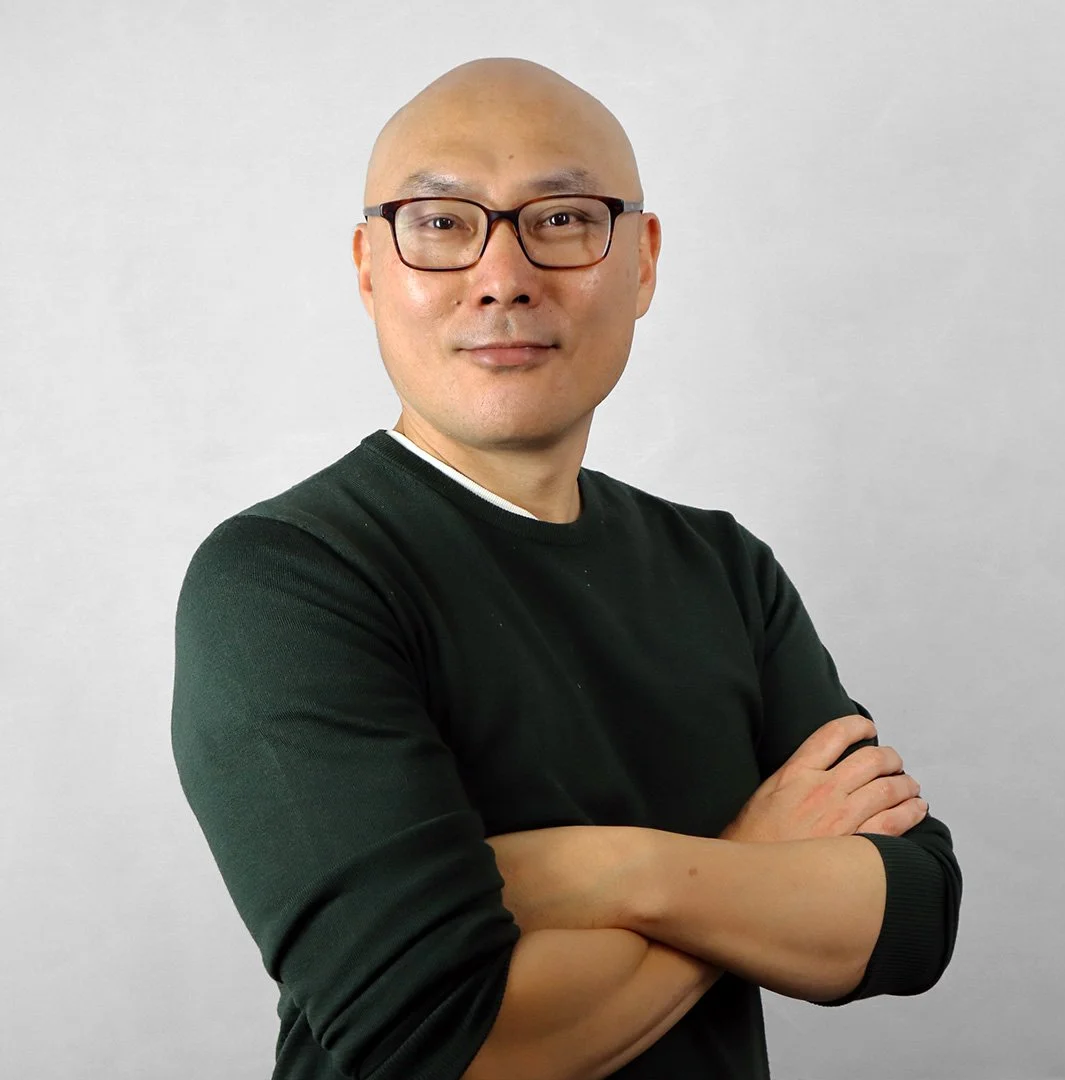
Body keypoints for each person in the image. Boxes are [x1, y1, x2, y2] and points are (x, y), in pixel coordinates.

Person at [171, 57, 961, 1080]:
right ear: (369, 268)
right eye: (444, 223)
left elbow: (912, 915)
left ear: (643, 263)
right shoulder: (285, 582)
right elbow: (436, 1044)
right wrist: (757, 861)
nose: (503, 275)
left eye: (563, 218)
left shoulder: (723, 569)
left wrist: (612, 870)